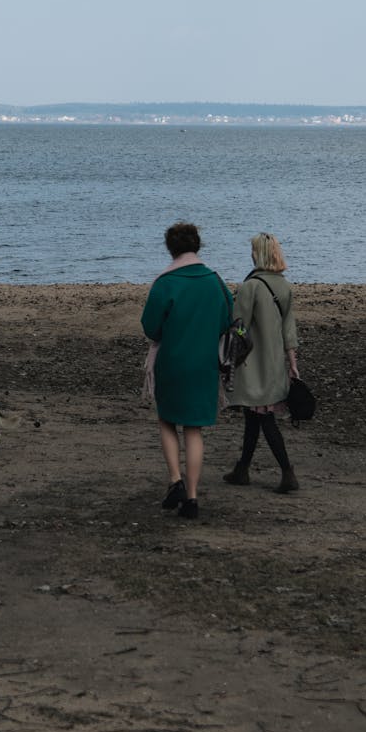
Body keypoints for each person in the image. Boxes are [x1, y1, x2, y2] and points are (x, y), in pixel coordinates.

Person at [141, 222, 232, 519]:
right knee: (194, 429)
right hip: (204, 363)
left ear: (171, 248)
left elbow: (151, 327)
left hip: (172, 361)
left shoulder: (165, 282)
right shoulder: (215, 281)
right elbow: (226, 321)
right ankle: (192, 498)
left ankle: (175, 480)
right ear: (198, 245)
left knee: (167, 420)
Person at [222, 233, 300, 493]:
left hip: (253, 364)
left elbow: (238, 325)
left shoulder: (250, 286)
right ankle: (242, 469)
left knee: (263, 418)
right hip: (275, 362)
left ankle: (288, 472)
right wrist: (292, 361)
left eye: (253, 250)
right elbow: (289, 328)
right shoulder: (284, 286)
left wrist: (231, 353)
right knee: (254, 417)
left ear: (259, 254)